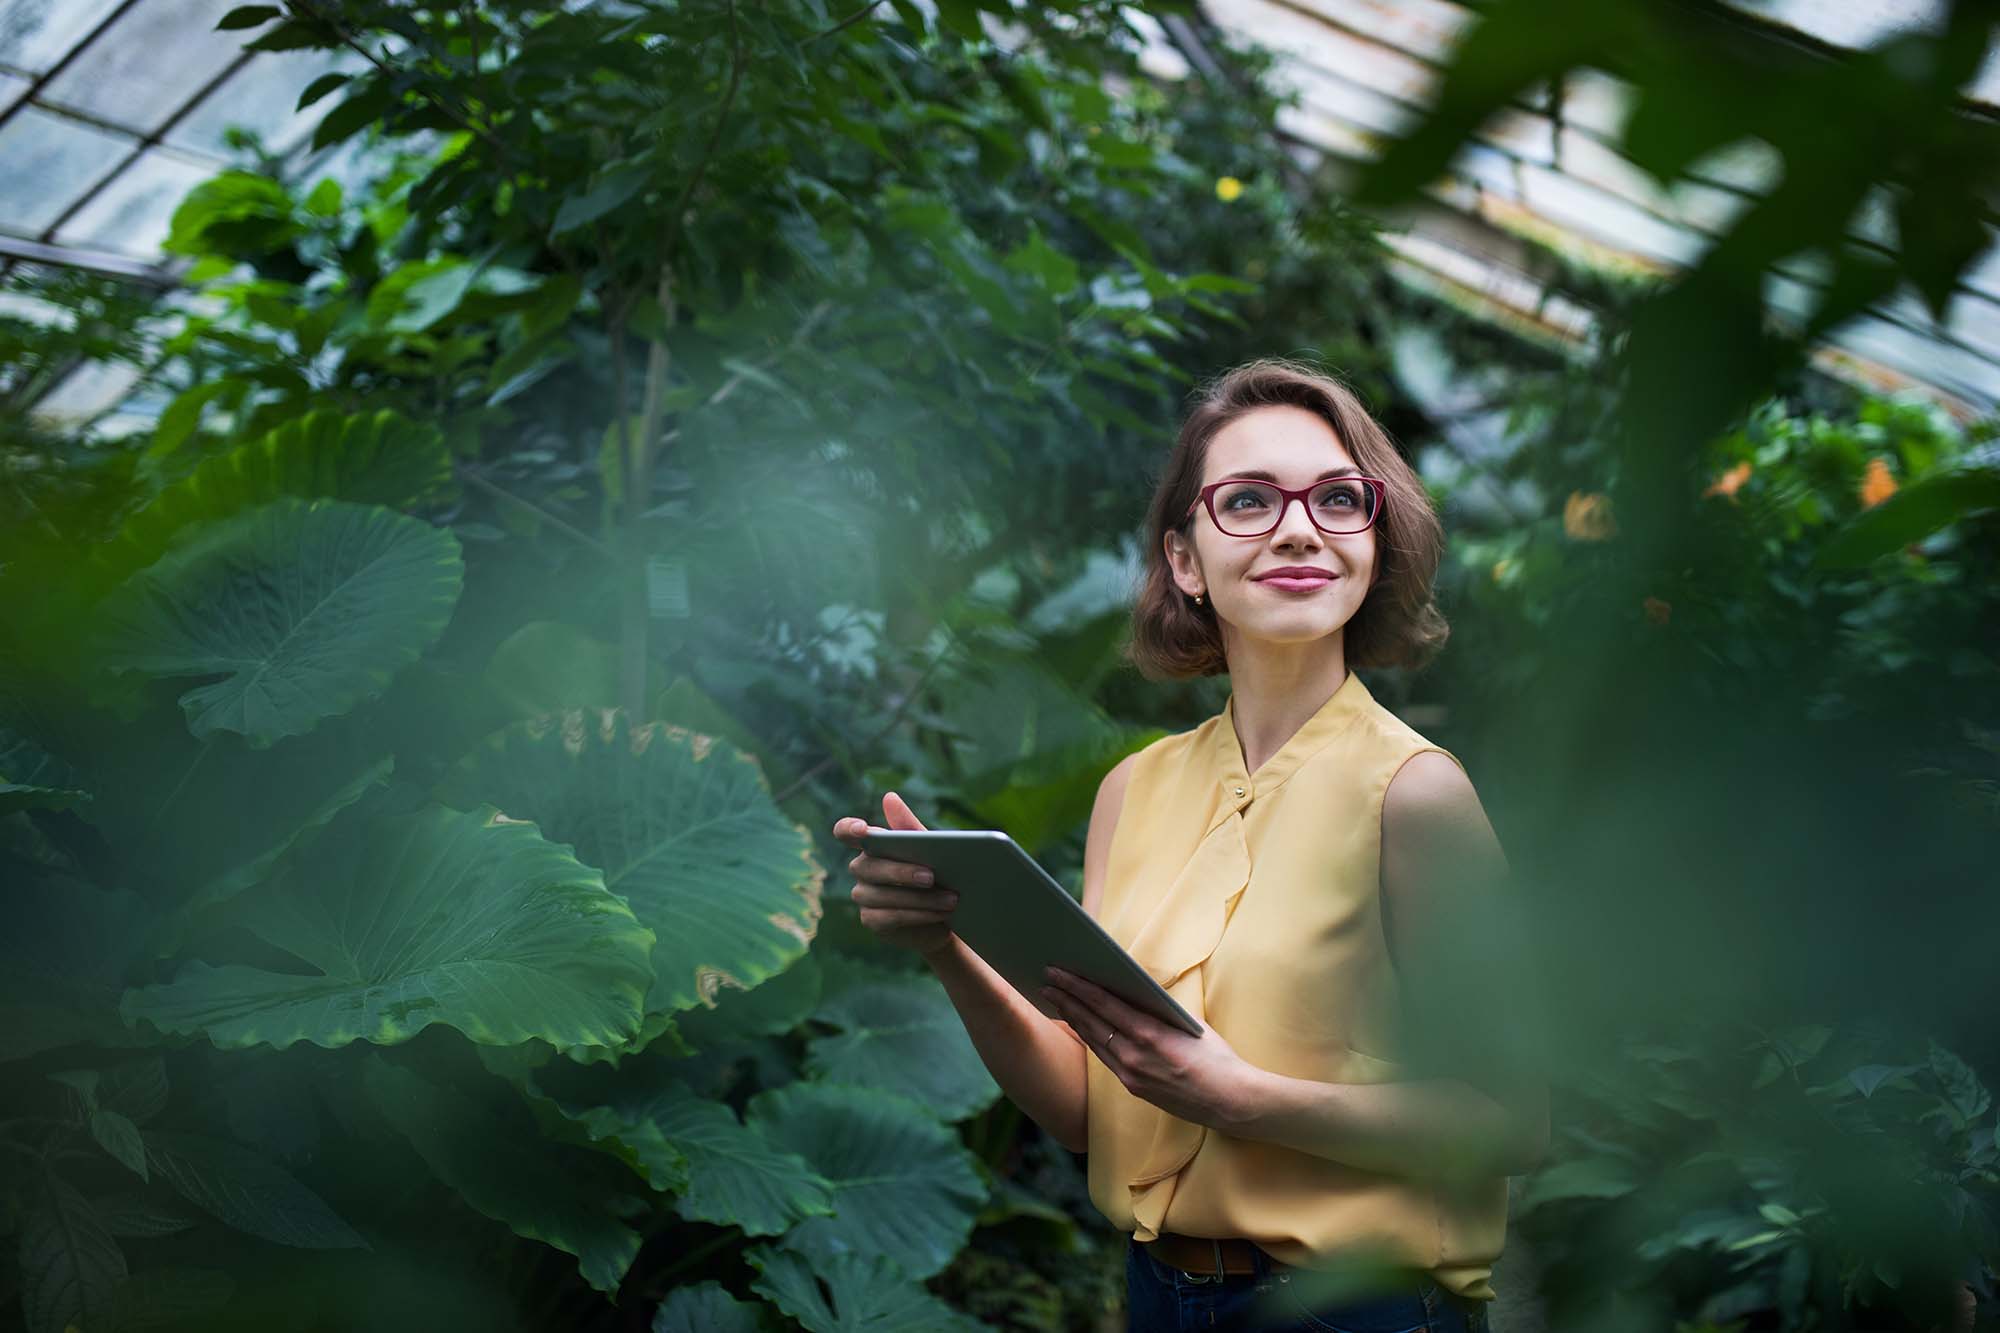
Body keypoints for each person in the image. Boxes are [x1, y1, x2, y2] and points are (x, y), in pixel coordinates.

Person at [833, 358, 1550, 1332]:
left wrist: (1244, 1099)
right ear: (1183, 559)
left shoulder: (1415, 793)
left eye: (1337, 498)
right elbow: (1089, 1109)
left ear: (1373, 540)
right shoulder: (1135, 789)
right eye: (1247, 500)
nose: (1298, 527)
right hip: (1159, 1297)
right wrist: (943, 945)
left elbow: (1512, 1123)